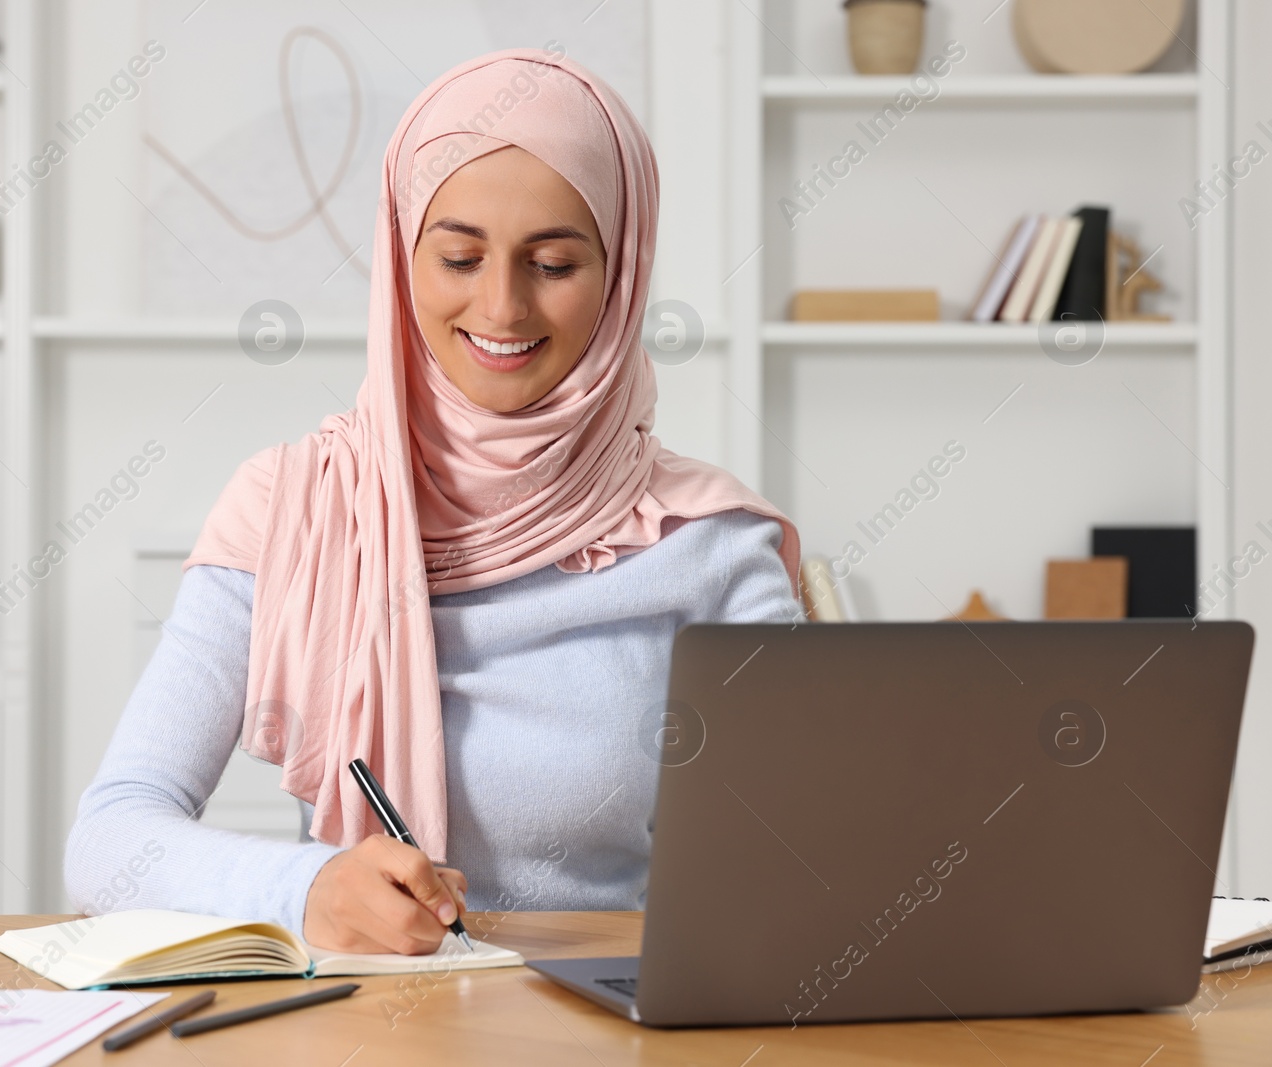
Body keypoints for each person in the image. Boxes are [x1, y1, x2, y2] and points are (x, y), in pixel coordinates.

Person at [65, 46, 803, 957]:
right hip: (359, 1021)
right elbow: (108, 840)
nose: (501, 306)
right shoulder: (294, 508)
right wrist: (305, 889)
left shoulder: (709, 547)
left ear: (622, 276)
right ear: (401, 258)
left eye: (555, 263)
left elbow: (804, 855)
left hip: (609, 1025)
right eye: (458, 256)